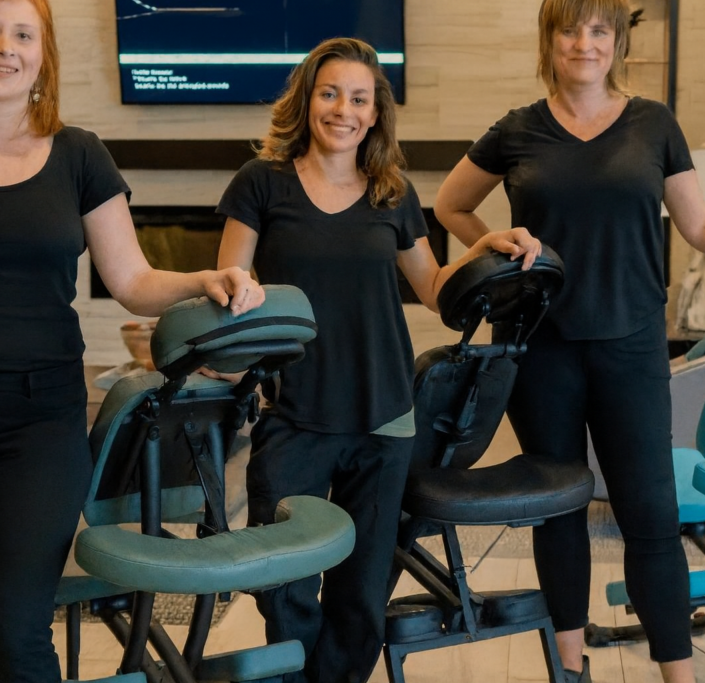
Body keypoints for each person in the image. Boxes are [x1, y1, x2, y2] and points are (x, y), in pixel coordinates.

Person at [0, 1, 263, 681]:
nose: (4, 47)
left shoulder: (79, 155)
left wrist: (204, 278)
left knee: (15, 626)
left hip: (38, 420)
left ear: (43, 53)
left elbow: (132, 280)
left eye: (22, 33)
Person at [432, 1, 705, 682]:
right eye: (570, 28)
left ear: (618, 41)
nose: (585, 42)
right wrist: (494, 244)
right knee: (558, 508)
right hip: (539, 347)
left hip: (630, 347)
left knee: (651, 514)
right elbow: (450, 204)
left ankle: (676, 675)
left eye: (600, 29)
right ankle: (570, 666)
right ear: (549, 40)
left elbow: (702, 226)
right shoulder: (517, 129)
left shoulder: (653, 124)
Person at [215, 37, 537, 683]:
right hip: (294, 413)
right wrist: (221, 354)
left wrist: (485, 247)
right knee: (284, 584)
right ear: (306, 100)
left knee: (362, 590)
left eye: (359, 98)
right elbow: (230, 285)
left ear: (376, 112)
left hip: (384, 415)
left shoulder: (392, 191)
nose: (344, 110)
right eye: (330, 93)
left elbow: (433, 288)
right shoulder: (261, 183)